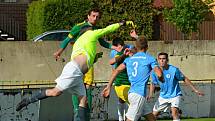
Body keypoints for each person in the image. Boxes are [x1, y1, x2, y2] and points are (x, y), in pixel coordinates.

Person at [16, 21, 135, 121]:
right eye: (91, 29)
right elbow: (107, 29)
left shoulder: (81, 42)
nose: (94, 31)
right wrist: (121, 23)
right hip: (74, 71)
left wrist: (94, 58)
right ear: (88, 31)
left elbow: (85, 57)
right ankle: (28, 100)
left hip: (78, 74)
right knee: (55, 92)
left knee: (83, 101)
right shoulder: (90, 35)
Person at [53, 8, 116, 121]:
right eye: (93, 16)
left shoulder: (97, 29)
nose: (95, 18)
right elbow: (67, 40)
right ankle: (77, 113)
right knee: (75, 86)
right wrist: (59, 51)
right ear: (88, 16)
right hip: (77, 62)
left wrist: (114, 47)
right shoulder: (79, 27)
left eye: (97, 17)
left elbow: (102, 43)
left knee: (88, 88)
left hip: (88, 63)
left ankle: (86, 114)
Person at [102, 30, 164, 121]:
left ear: (136, 47)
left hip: (131, 93)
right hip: (138, 95)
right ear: (147, 47)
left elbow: (116, 71)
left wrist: (108, 86)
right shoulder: (149, 59)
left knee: (151, 119)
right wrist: (161, 78)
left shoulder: (129, 59)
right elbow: (159, 74)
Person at [149, 52, 204, 121]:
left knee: (174, 112)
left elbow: (184, 78)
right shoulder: (155, 71)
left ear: (167, 60)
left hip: (175, 95)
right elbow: (153, 83)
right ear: (157, 60)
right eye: (160, 59)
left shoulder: (174, 70)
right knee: (153, 115)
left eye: (164, 59)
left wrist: (195, 90)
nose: (162, 60)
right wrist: (150, 94)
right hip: (163, 96)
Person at [109, 37, 134, 121]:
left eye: (122, 46)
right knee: (130, 101)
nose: (121, 48)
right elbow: (112, 64)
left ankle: (123, 117)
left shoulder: (130, 48)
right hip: (121, 82)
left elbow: (139, 52)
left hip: (130, 80)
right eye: (119, 47)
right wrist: (115, 78)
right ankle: (121, 117)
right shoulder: (114, 53)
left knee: (125, 100)